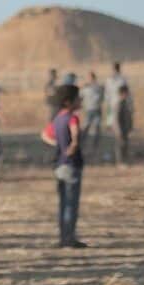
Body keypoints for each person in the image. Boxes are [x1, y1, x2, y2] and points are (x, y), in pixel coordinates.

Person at [46, 85, 86, 249]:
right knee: (72, 204)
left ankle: (64, 237)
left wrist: (59, 146)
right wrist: (72, 146)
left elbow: (45, 134)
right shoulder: (72, 118)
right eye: (78, 98)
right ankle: (70, 239)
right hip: (71, 165)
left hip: (59, 165)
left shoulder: (57, 118)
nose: (80, 100)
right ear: (69, 102)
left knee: (63, 204)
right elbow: (75, 136)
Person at [79, 71, 104, 150]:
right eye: (89, 78)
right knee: (86, 127)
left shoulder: (98, 87)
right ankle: (81, 143)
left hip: (97, 110)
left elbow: (102, 97)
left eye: (92, 77)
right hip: (89, 110)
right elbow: (80, 97)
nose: (91, 79)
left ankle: (95, 145)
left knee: (96, 127)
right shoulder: (85, 88)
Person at [114, 85, 134, 165]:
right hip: (120, 129)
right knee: (120, 146)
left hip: (125, 129)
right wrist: (118, 130)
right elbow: (116, 118)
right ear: (122, 93)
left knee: (125, 145)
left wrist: (130, 127)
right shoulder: (119, 104)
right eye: (126, 93)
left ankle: (124, 161)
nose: (127, 95)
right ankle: (120, 162)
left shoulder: (126, 103)